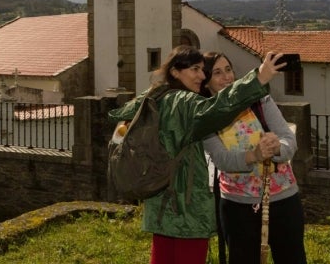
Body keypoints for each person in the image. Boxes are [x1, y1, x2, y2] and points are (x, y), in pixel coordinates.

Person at [108, 45, 286, 264]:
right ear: (175, 71)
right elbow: (216, 110)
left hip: (159, 200)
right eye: (195, 69)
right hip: (185, 205)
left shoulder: (153, 95)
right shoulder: (182, 101)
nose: (202, 76)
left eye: (203, 70)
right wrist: (258, 79)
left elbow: (117, 115)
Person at [201, 51, 308, 264]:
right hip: (237, 205)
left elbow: (289, 141)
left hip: (283, 197)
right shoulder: (205, 114)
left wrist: (277, 148)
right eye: (217, 73)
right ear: (206, 82)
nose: (227, 77)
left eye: (228, 70)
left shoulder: (259, 99)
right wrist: (254, 155)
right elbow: (221, 159)